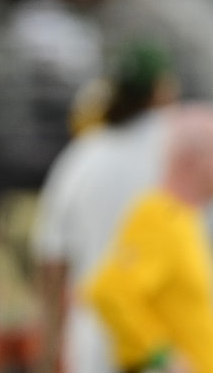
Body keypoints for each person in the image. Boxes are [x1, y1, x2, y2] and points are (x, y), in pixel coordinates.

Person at [31, 40, 179, 373]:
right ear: (162, 88)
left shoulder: (81, 158)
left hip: (96, 342)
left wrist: (48, 350)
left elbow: (51, 260)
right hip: (172, 338)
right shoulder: (184, 151)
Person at [83, 104, 213, 373]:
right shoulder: (159, 216)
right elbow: (109, 291)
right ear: (191, 160)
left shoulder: (183, 220)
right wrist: (160, 357)